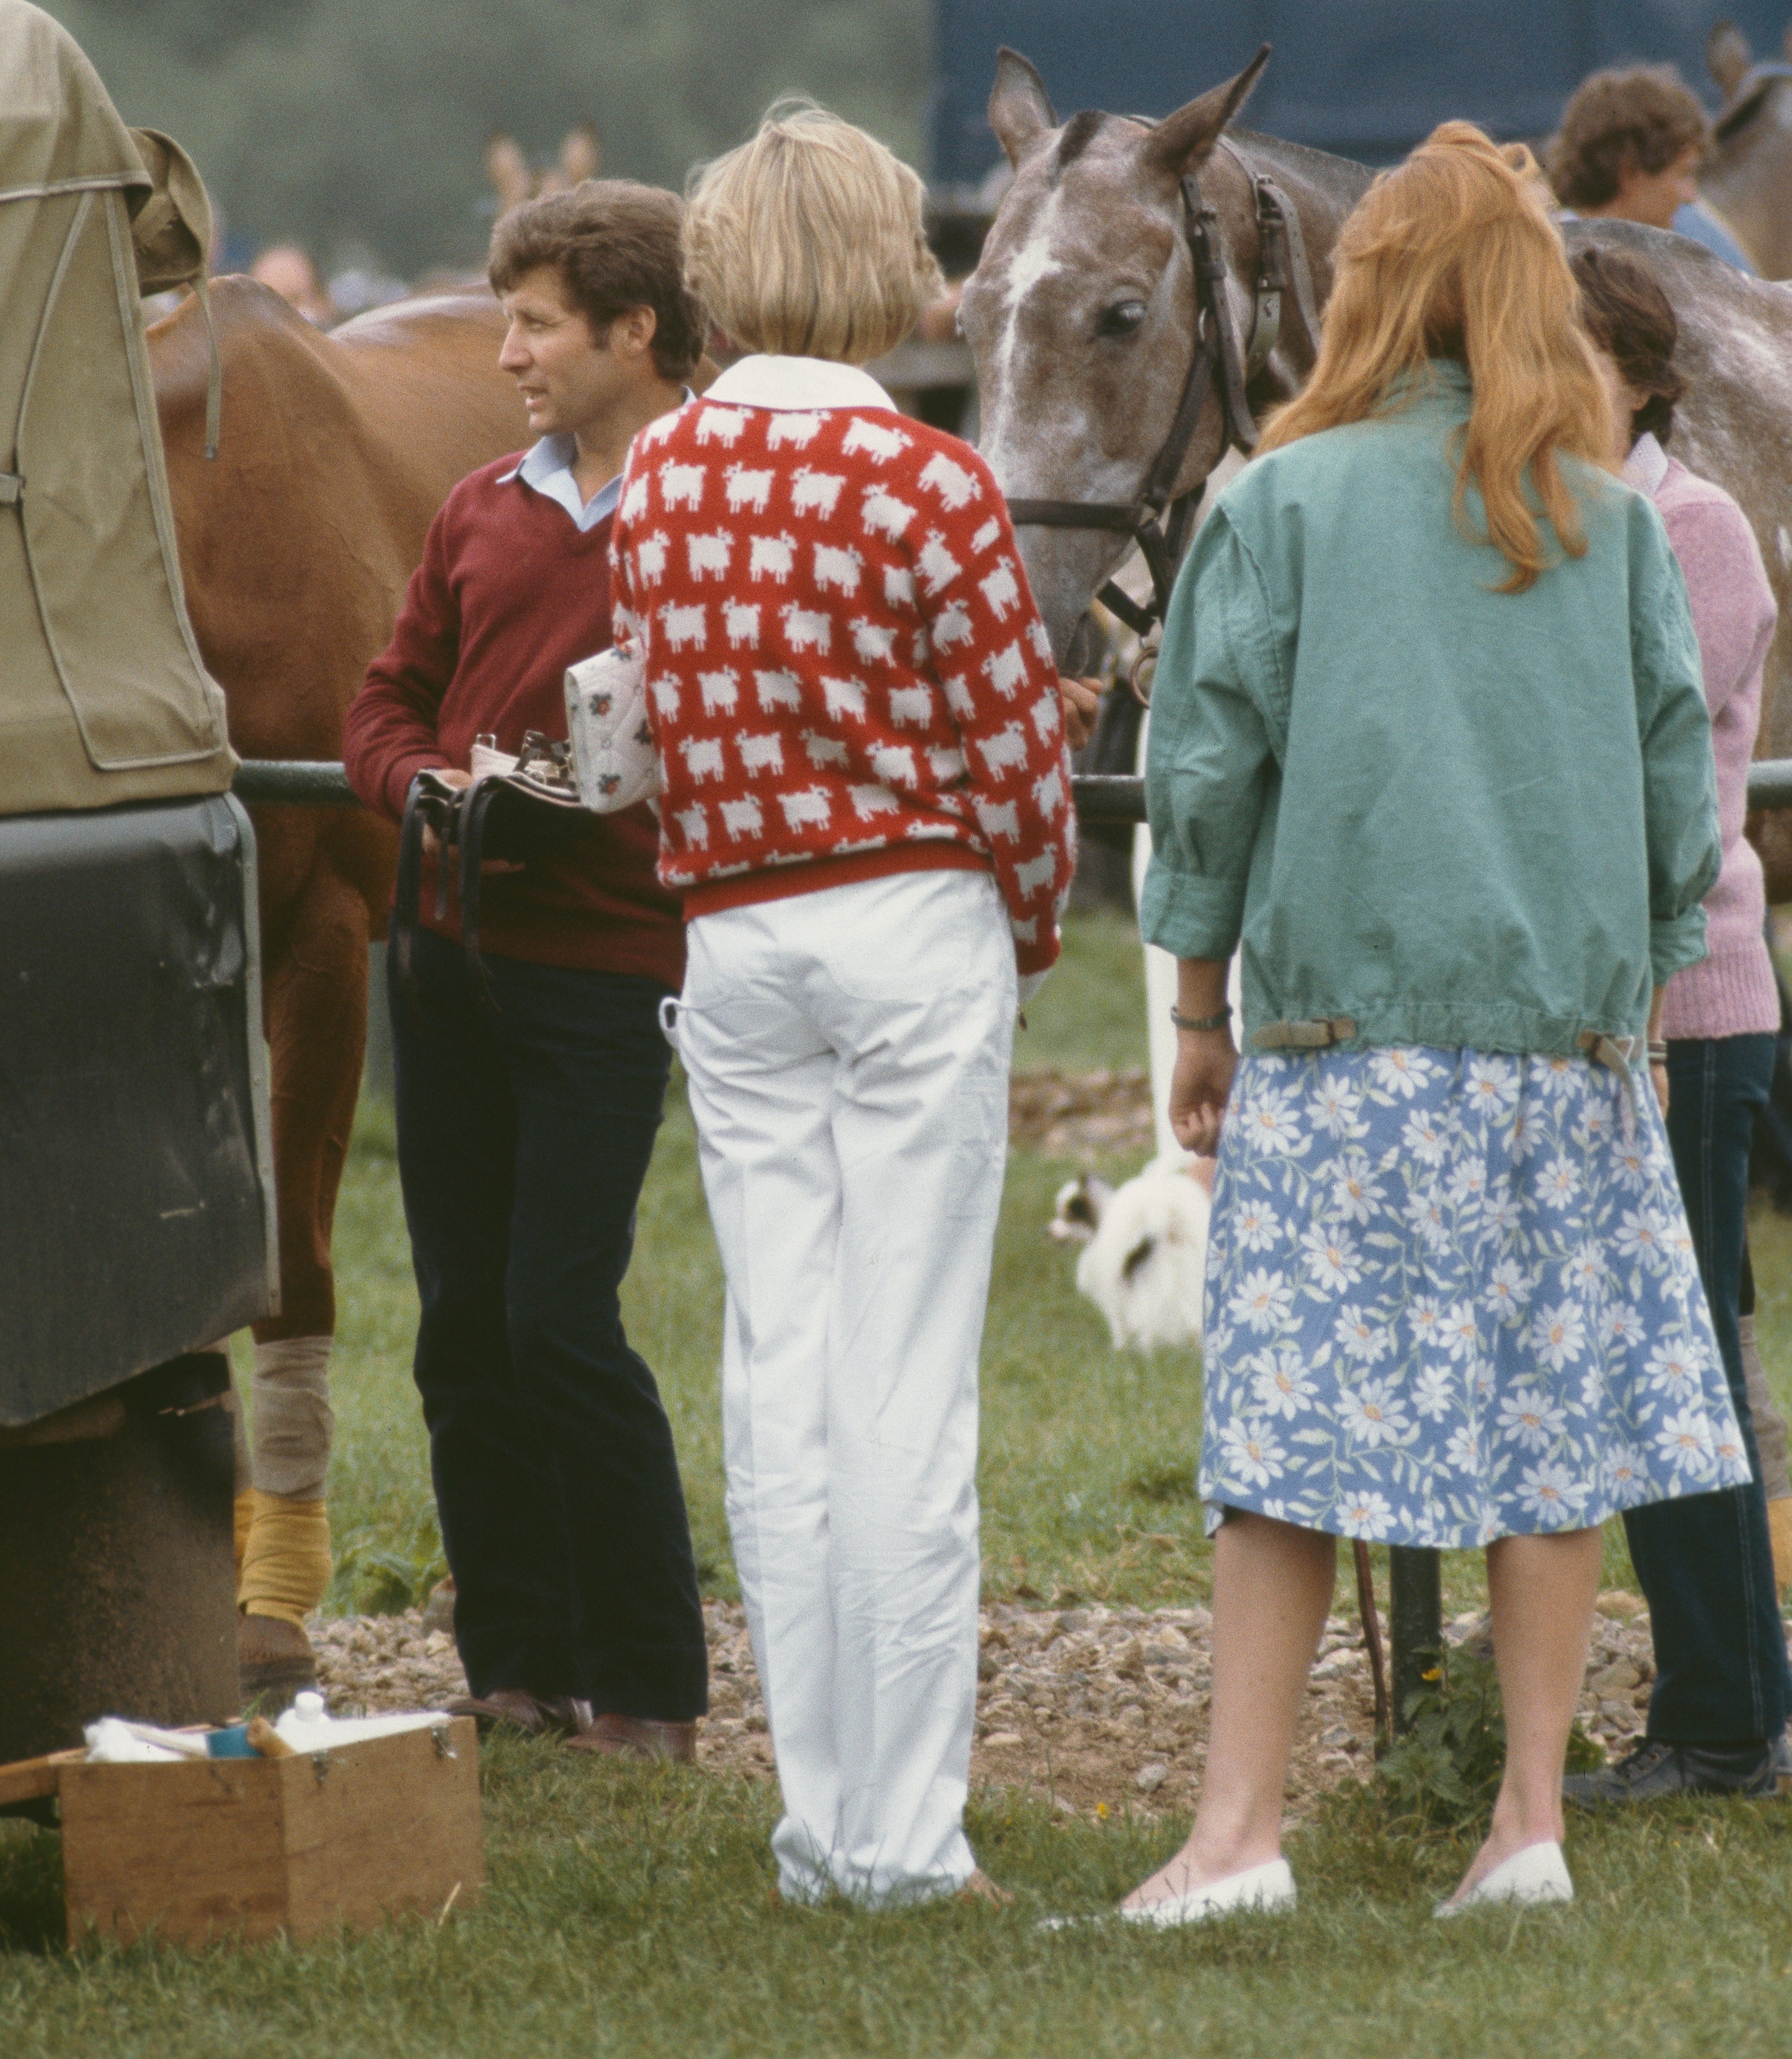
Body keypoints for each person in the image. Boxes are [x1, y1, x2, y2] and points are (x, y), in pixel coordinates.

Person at [1124, 123, 1746, 1925]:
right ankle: (1524, 1825)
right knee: (1546, 1437)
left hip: (1341, 1042)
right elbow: (1670, 809)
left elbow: (1207, 772)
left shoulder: (1277, 500)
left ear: (1370, 290)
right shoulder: (1608, 513)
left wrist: (1190, 1003)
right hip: (1564, 1052)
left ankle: (1236, 1836)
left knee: (1286, 1447)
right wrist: (1623, 990)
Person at [607, 102, 1078, 1907]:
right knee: (907, 1394)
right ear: (883, 271)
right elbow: (1021, 765)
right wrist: (1020, 928)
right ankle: (904, 1834)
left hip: (731, 939)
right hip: (906, 920)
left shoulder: (654, 477)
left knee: (776, 1377)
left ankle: (818, 1822)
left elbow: (653, 721)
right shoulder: (925, 480)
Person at [341, 181, 709, 1760]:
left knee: (558, 1313)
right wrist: (417, 780)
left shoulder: (715, 508)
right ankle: (514, 1663)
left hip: (602, 967)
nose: (506, 353)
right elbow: (383, 698)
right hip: (445, 959)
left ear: (635, 330)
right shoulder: (484, 504)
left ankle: (651, 1683)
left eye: (536, 324)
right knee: (455, 1326)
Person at [1563, 245, 1791, 1802]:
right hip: (1611, 1005)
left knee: (1685, 1354)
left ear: (1644, 376)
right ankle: (1732, 1698)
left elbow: (1630, 771)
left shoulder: (1690, 528)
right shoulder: (1581, 521)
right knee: (1664, 1352)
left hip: (1692, 1004)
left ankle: (1723, 1718)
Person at [1551, 66, 1757, 273]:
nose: (1691, 196)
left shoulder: (1694, 230)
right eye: (1683, 174)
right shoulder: (1547, 267)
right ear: (1629, 172)